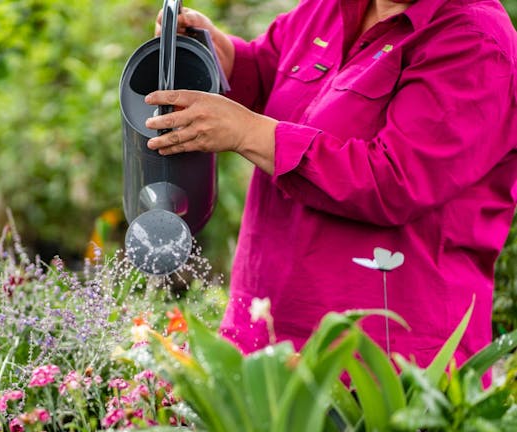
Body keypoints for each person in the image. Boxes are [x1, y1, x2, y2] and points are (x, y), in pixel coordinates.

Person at [145, 0, 517, 386]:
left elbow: (394, 179)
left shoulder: (475, 40)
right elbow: (270, 70)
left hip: (381, 361)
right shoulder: (330, 9)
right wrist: (221, 56)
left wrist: (248, 133)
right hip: (267, 330)